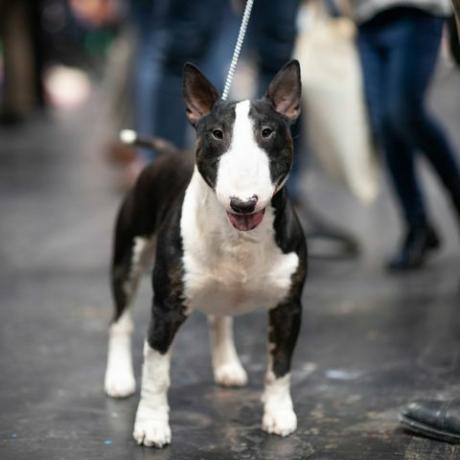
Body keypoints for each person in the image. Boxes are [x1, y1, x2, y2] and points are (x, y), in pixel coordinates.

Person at [350, 0, 460, 271]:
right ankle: (417, 226)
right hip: (366, 18)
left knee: (404, 114)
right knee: (385, 126)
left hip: (416, 11)